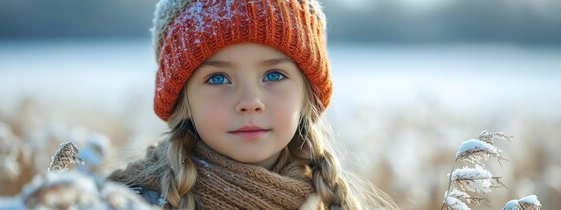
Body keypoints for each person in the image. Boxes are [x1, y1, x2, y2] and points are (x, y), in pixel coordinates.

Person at [108, 0, 397, 209]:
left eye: (274, 75)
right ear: (183, 101)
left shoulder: (330, 200)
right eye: (219, 79)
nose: (250, 103)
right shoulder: (125, 201)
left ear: (307, 95)